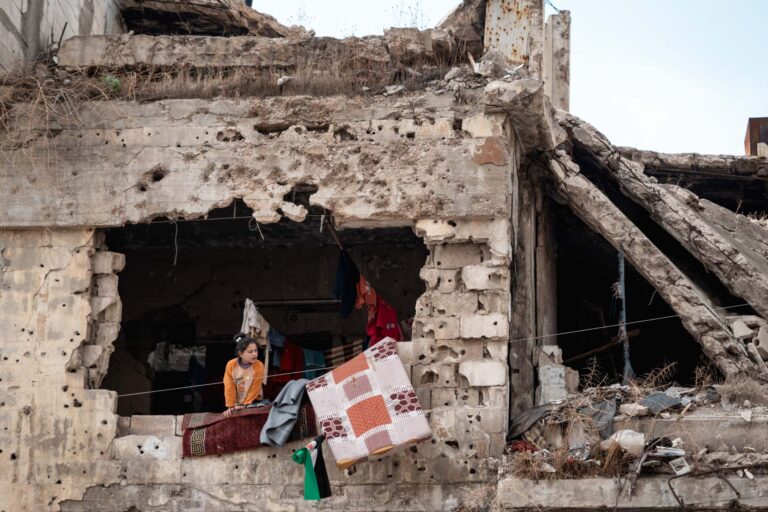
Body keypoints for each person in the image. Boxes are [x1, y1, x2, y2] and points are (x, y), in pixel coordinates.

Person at [223, 333, 265, 417]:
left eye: (256, 350)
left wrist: (246, 404)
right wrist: (231, 406)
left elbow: (255, 388)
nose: (254, 354)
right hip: (236, 403)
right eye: (250, 351)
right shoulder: (231, 365)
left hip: (254, 402)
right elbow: (229, 386)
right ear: (240, 354)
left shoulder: (259, 365)